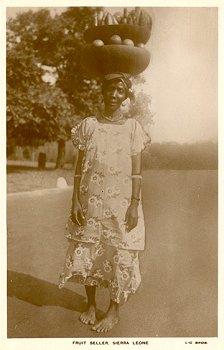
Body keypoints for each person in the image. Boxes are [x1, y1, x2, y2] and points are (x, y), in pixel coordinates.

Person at [59, 72, 150, 333]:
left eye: (119, 91)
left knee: (121, 253)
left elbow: (136, 172)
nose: (113, 95)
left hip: (121, 205)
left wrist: (134, 203)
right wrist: (75, 198)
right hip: (91, 202)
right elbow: (79, 168)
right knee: (89, 250)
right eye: (109, 89)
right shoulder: (88, 126)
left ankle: (113, 311)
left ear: (125, 97)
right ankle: (89, 304)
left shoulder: (133, 128)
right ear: (102, 92)